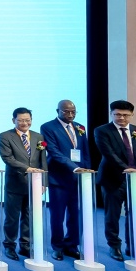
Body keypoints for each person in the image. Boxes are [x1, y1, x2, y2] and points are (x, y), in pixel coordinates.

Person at [94, 99, 136, 262]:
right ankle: (114, 246)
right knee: (112, 215)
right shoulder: (102, 131)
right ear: (111, 114)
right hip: (112, 179)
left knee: (134, 214)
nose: (121, 118)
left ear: (132, 115)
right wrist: (126, 168)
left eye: (125, 115)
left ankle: (133, 247)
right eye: (117, 114)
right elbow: (108, 154)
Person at [39, 99, 90, 261]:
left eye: (73, 112)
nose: (70, 114)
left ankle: (72, 245)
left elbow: (85, 152)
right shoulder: (48, 127)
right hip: (58, 178)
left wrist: (86, 171)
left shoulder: (80, 127)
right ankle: (58, 247)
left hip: (78, 178)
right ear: (58, 111)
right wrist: (74, 167)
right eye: (66, 111)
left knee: (76, 214)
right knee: (57, 215)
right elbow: (54, 152)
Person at [0, 107, 47, 261]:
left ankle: (25, 245)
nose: (24, 123)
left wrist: (44, 182)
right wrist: (27, 168)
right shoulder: (5, 136)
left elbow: (43, 160)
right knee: (12, 217)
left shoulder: (38, 137)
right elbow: (8, 158)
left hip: (34, 184)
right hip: (15, 183)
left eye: (27, 120)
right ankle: (9, 245)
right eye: (21, 120)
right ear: (14, 120)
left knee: (29, 216)